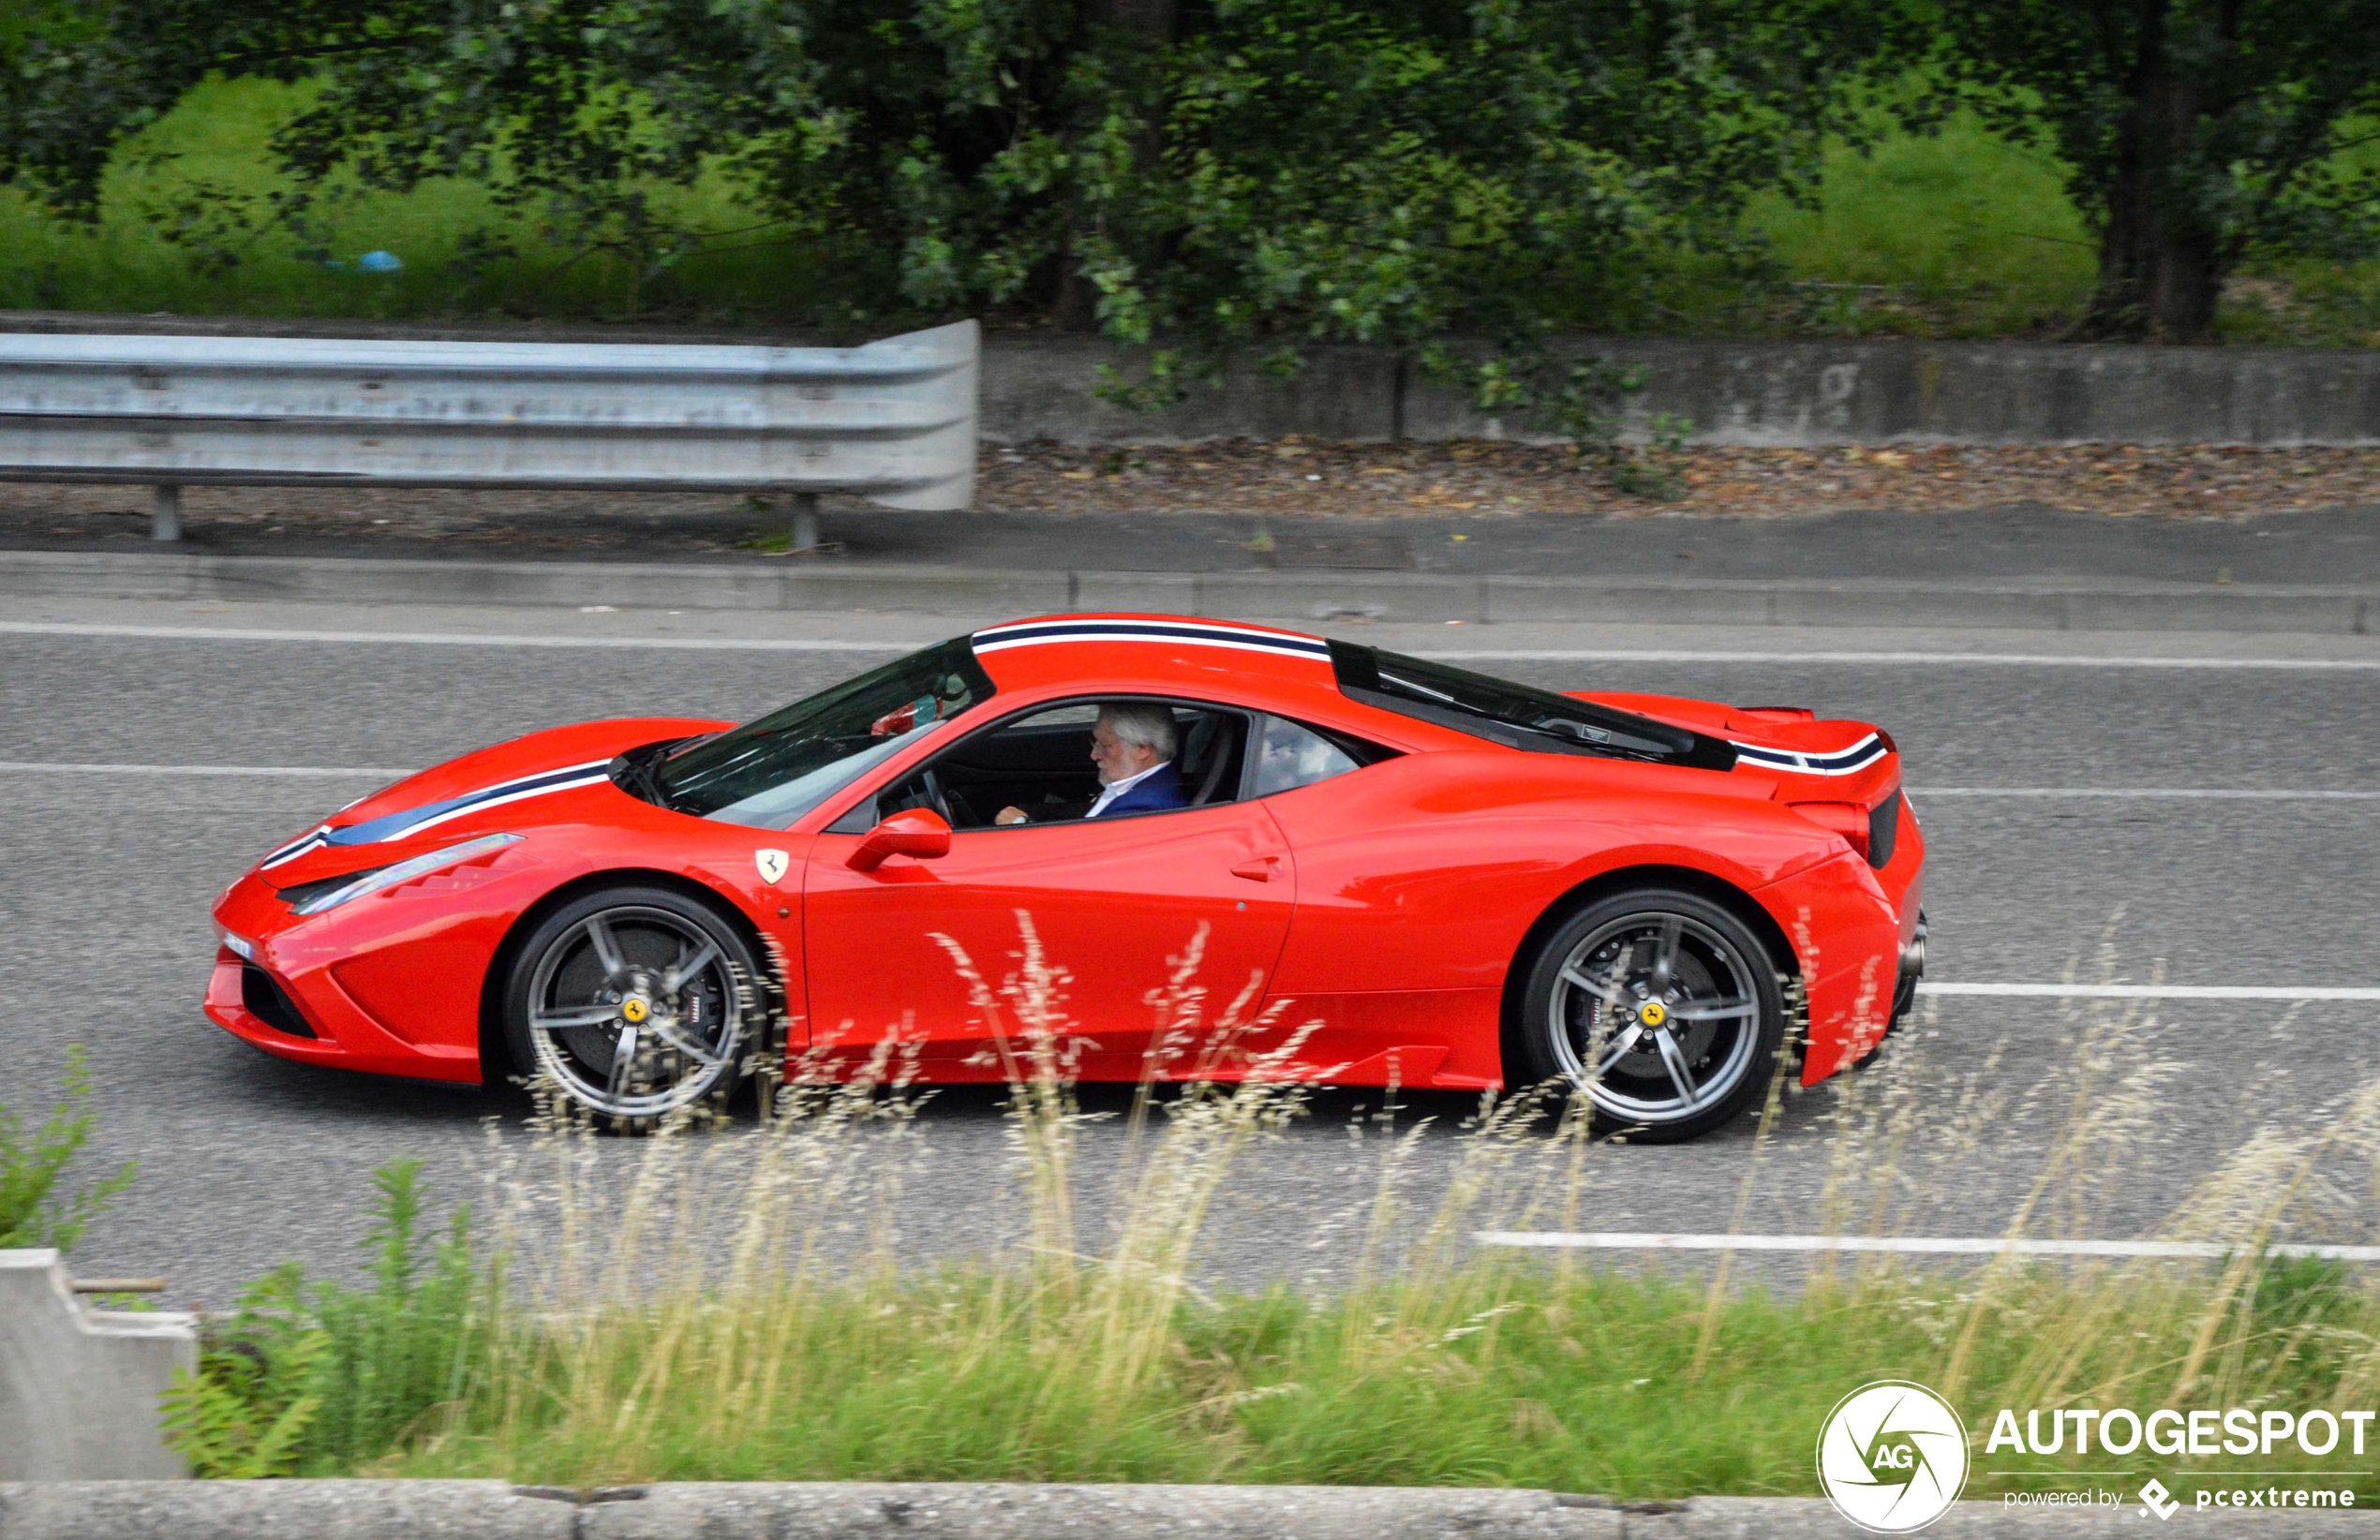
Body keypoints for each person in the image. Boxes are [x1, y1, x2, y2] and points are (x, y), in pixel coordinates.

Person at [996, 703, 1186, 824]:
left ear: (1142, 749)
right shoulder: (1150, 784)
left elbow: (1075, 865)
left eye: (1105, 746)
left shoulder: (1141, 812)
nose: (1094, 754)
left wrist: (1021, 824)